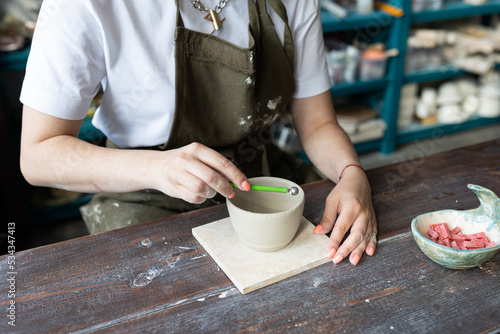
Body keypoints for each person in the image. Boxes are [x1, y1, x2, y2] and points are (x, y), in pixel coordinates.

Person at [19, 0, 377, 266]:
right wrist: (156, 169)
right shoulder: (85, 5)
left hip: (258, 173)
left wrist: (352, 174)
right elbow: (38, 155)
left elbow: (317, 124)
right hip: (142, 188)